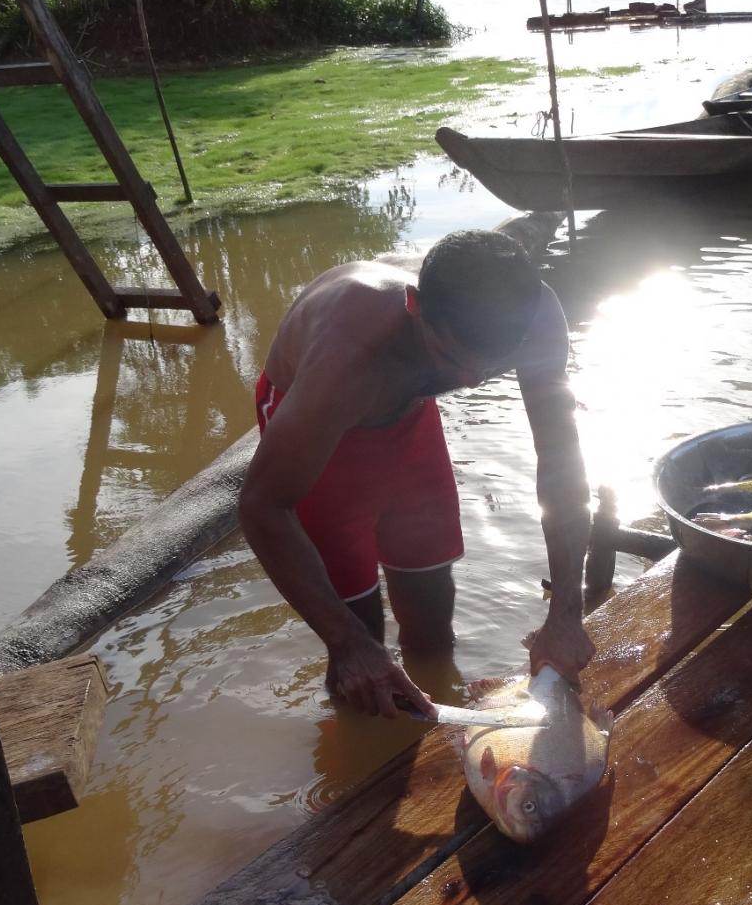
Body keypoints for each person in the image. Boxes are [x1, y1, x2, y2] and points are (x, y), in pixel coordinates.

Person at [239, 230, 593, 719]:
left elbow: (561, 462)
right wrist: (346, 643)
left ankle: (430, 715)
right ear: (414, 305)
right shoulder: (348, 355)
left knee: (431, 611)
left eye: (489, 369)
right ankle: (363, 748)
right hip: (330, 430)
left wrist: (566, 614)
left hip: (408, 415)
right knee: (360, 639)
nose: (469, 380)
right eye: (451, 358)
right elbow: (261, 507)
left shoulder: (537, 316)